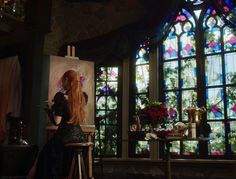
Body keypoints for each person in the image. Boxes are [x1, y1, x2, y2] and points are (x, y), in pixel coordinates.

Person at [28, 70, 87, 179]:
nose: (62, 83)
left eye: (63, 81)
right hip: (80, 138)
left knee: (43, 154)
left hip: (64, 138)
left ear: (66, 80)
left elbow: (57, 122)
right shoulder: (82, 98)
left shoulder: (61, 97)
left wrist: (49, 110)